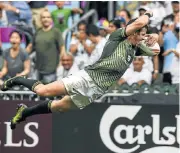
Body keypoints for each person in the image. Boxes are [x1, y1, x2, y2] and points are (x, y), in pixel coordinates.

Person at [1, 11, 159, 130]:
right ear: (134, 32)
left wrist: (154, 38)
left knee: (59, 106)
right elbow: (139, 23)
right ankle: (14, 80)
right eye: (142, 35)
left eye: (145, 35)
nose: (144, 38)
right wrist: (147, 13)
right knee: (43, 91)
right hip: (86, 78)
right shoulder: (118, 37)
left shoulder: (134, 49)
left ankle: (24, 113)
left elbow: (156, 50)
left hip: (97, 90)